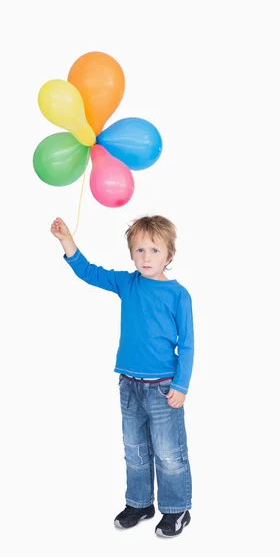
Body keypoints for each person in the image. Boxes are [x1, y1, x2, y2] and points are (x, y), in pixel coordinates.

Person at [50, 215, 194, 538]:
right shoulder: (127, 283)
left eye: (155, 251)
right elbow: (89, 272)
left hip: (163, 388)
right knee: (135, 449)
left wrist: (181, 385)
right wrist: (66, 241)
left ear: (170, 255)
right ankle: (140, 503)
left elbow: (187, 345)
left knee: (169, 453)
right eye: (140, 249)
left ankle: (176, 509)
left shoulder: (178, 295)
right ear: (131, 253)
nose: (146, 257)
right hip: (128, 385)